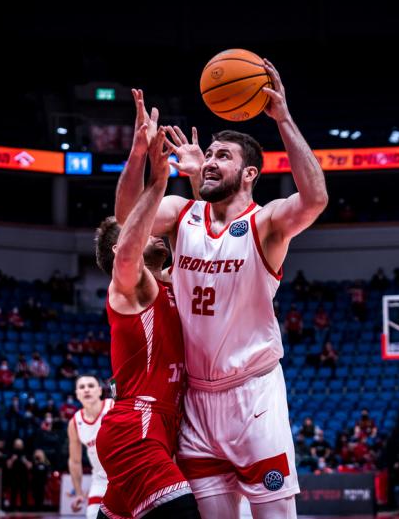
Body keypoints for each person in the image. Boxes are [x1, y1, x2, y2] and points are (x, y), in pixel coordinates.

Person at [115, 60, 328, 518]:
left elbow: (314, 200)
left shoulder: (265, 224)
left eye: (222, 156)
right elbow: (127, 223)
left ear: (250, 174)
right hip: (197, 402)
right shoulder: (181, 213)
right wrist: (138, 156)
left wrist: (284, 119)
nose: (210, 159)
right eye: (208, 153)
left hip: (253, 396)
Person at [94, 104, 199, 518]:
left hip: (166, 426)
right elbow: (127, 235)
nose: (152, 225)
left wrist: (140, 153)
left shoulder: (174, 278)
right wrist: (156, 182)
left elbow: (208, 232)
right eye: (143, 228)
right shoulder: (131, 288)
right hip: (136, 426)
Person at [67, 375, 112, 519]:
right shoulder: (75, 422)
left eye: (91, 386)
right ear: (77, 394)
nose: (86, 390)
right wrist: (79, 493)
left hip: (125, 475)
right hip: (100, 480)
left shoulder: (113, 406)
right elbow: (74, 461)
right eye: (82, 387)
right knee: (92, 515)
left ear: (100, 391)